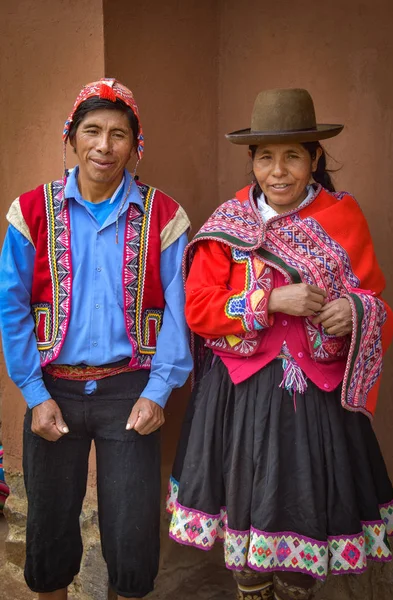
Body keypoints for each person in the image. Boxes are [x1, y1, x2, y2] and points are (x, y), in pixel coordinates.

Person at [167, 88, 393, 600]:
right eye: (266, 157)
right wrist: (270, 300)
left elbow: (375, 302)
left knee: (303, 533)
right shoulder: (229, 226)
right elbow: (199, 308)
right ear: (252, 162)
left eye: (293, 156)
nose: (279, 171)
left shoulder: (343, 218)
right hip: (240, 399)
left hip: (316, 402)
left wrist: (353, 311)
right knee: (247, 540)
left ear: (315, 159)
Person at [0, 78, 192, 599]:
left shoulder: (165, 217)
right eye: (92, 131)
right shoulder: (31, 212)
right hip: (52, 391)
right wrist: (34, 395)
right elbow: (12, 306)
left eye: (118, 134)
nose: (104, 146)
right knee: (48, 531)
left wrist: (159, 391)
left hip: (131, 391)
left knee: (131, 537)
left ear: (136, 144)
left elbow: (180, 311)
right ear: (72, 137)